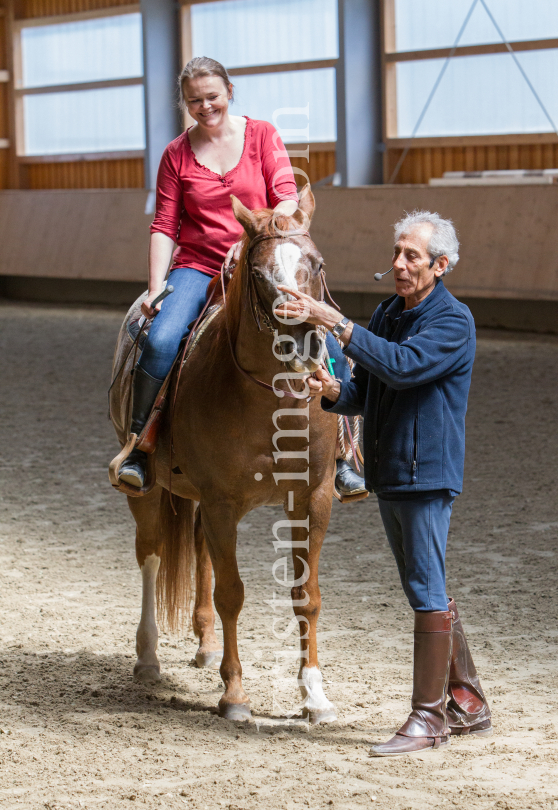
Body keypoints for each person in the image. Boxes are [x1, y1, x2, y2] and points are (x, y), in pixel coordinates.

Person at [274, 210, 492, 755]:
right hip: (392, 471)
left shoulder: (452, 321)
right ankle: (467, 700)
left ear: (440, 266)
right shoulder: (390, 312)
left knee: (424, 591)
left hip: (426, 474)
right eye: (396, 253)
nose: (398, 264)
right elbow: (368, 392)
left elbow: (402, 367)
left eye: (411, 256)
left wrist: (334, 321)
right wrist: (331, 390)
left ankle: (428, 718)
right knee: (429, 585)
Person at [118, 56, 366, 498]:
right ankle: (141, 444)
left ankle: (346, 455)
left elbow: (287, 198)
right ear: (185, 103)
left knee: (328, 339)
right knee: (159, 341)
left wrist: (256, 233)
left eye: (213, 97)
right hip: (197, 266)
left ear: (230, 92)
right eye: (195, 101)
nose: (205, 106)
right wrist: (156, 289)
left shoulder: (263, 135)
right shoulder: (175, 154)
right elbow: (164, 225)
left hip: (262, 259)